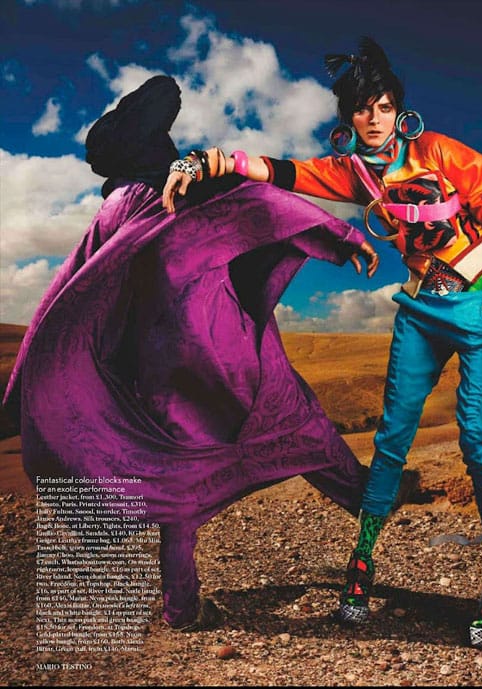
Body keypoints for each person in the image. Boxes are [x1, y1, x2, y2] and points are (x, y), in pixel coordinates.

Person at [162, 38, 482, 650]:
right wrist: (207, 161)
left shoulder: (438, 152)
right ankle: (362, 564)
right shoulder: (353, 172)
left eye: (384, 106)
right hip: (421, 309)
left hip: (481, 300)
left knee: (478, 438)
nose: (374, 118)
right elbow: (280, 171)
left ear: (399, 111)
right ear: (349, 118)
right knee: (391, 438)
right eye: (363, 108)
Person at [3, 75, 388, 631]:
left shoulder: (113, 208)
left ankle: (181, 607)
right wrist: (340, 235)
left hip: (158, 371)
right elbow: (259, 203)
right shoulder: (182, 192)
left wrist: (31, 383)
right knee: (298, 423)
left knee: (178, 474)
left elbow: (65, 294)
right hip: (225, 351)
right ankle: (371, 501)